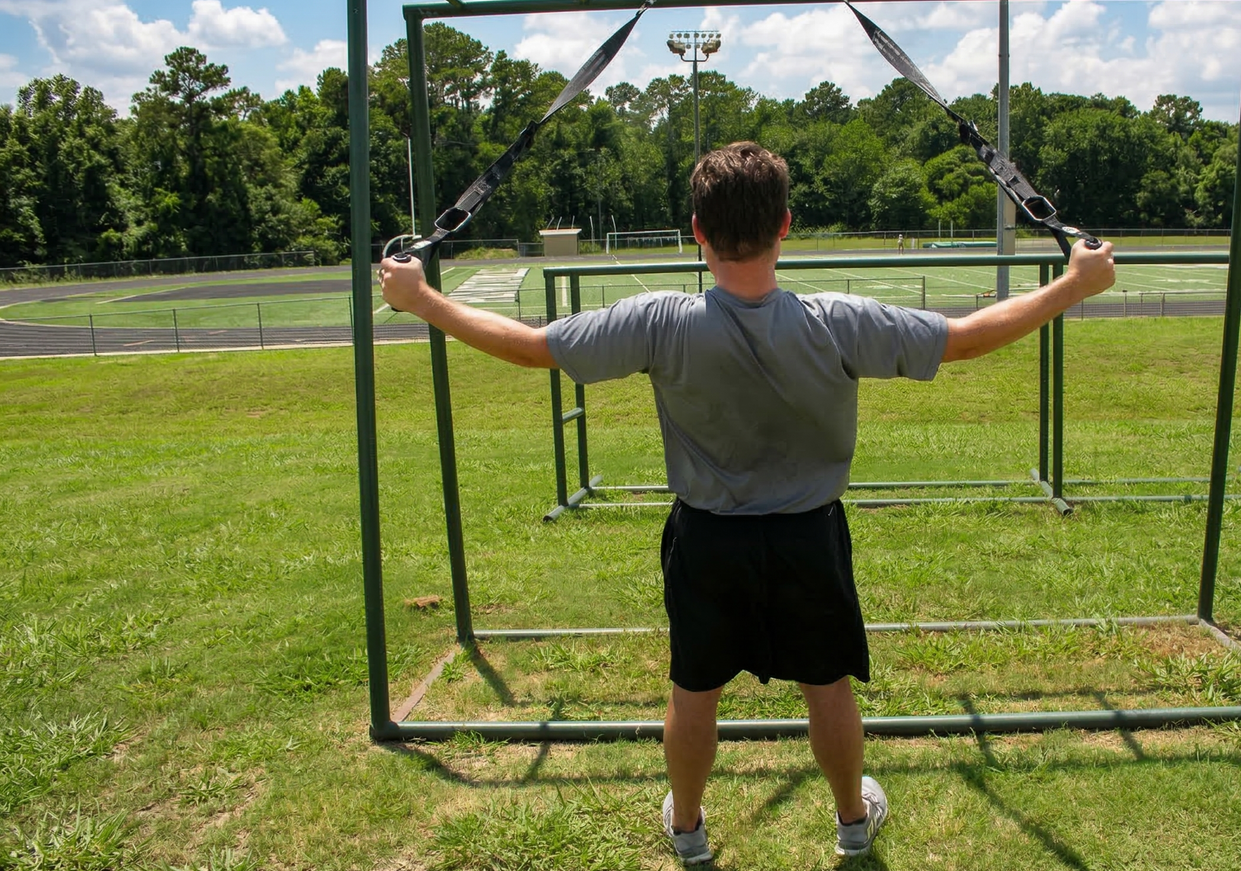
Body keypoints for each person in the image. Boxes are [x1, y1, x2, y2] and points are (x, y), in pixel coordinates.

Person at [379, 141, 1115, 865]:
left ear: (697, 230)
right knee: (825, 687)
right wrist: (1072, 286)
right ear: (785, 225)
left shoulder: (662, 320)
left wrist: (421, 301)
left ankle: (690, 830)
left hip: (707, 541)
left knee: (694, 689)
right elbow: (964, 337)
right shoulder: (837, 320)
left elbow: (533, 346)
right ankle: (851, 821)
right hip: (809, 539)